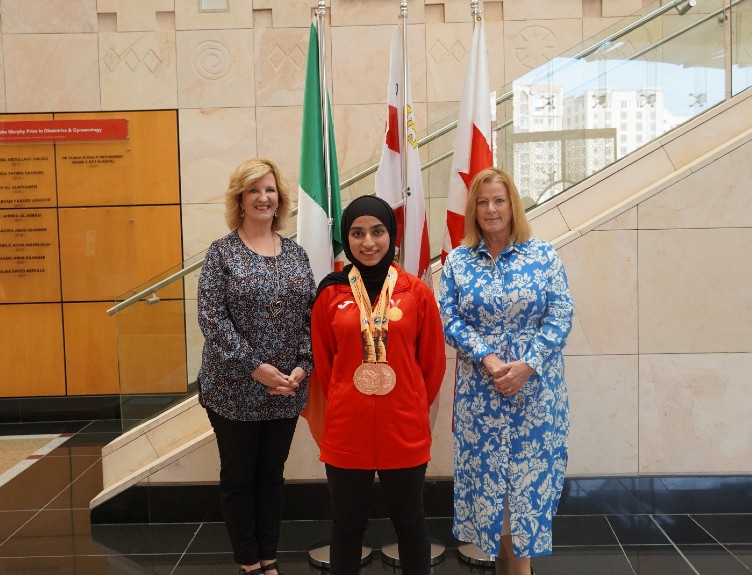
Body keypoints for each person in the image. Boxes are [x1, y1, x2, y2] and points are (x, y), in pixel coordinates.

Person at [438, 167, 574, 575]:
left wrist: (528, 364)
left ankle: (521, 570)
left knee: (527, 491)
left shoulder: (543, 254)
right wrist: (489, 358)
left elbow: (562, 313)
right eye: (482, 202)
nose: (491, 209)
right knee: (490, 489)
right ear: (473, 210)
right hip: (482, 394)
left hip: (536, 393)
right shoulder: (458, 262)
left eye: (498, 200)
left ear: (512, 205)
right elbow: (448, 317)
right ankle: (502, 566)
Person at [310, 195, 446, 575]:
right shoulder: (330, 293)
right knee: (347, 528)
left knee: (411, 524)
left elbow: (432, 366)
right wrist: (346, 396)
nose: (368, 242)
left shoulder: (416, 292)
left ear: (392, 235)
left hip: (403, 428)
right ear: (346, 239)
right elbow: (324, 364)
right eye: (357, 233)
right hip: (347, 429)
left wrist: (411, 401)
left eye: (377, 231)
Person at [197, 157, 316, 575]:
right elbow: (212, 319)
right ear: (240, 200)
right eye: (254, 190)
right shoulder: (221, 254)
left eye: (270, 190)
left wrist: (303, 366)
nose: (264, 197)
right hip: (233, 389)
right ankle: (249, 562)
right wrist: (254, 367)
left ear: (279, 198)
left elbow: (309, 318)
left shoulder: (296, 254)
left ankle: (270, 558)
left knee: (271, 477)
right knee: (239, 478)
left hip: (284, 389)